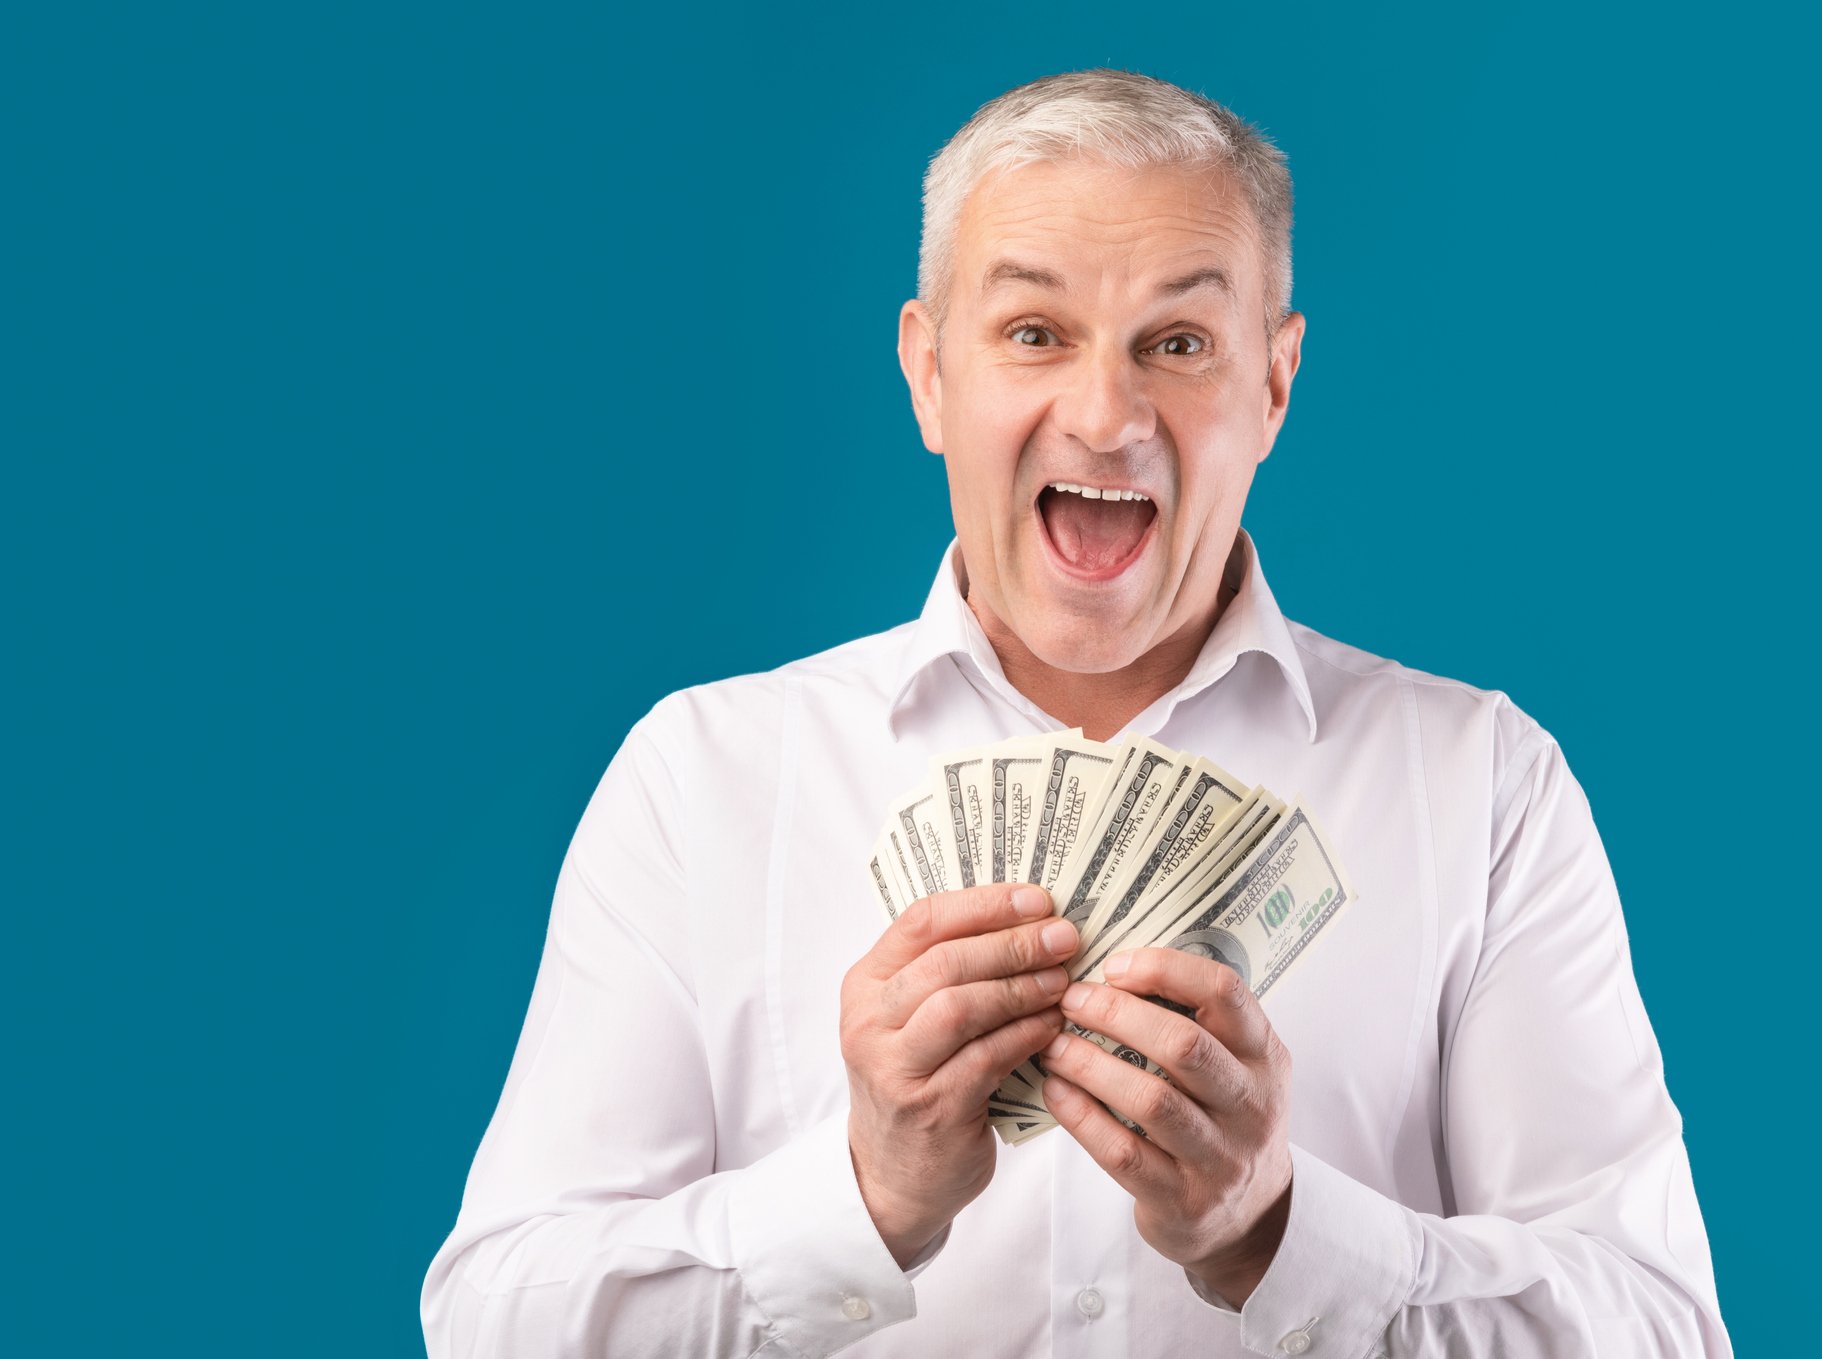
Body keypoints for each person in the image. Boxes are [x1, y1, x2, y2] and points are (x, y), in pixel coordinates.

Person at [421, 68, 1732, 1358]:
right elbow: (497, 1327)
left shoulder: (1480, 785)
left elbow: (1662, 1336)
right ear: (929, 375)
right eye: (1033, 334)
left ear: (1273, 386)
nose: (1105, 418)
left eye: (1176, 344)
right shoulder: (702, 778)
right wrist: (861, 1196)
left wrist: (1274, 1229)